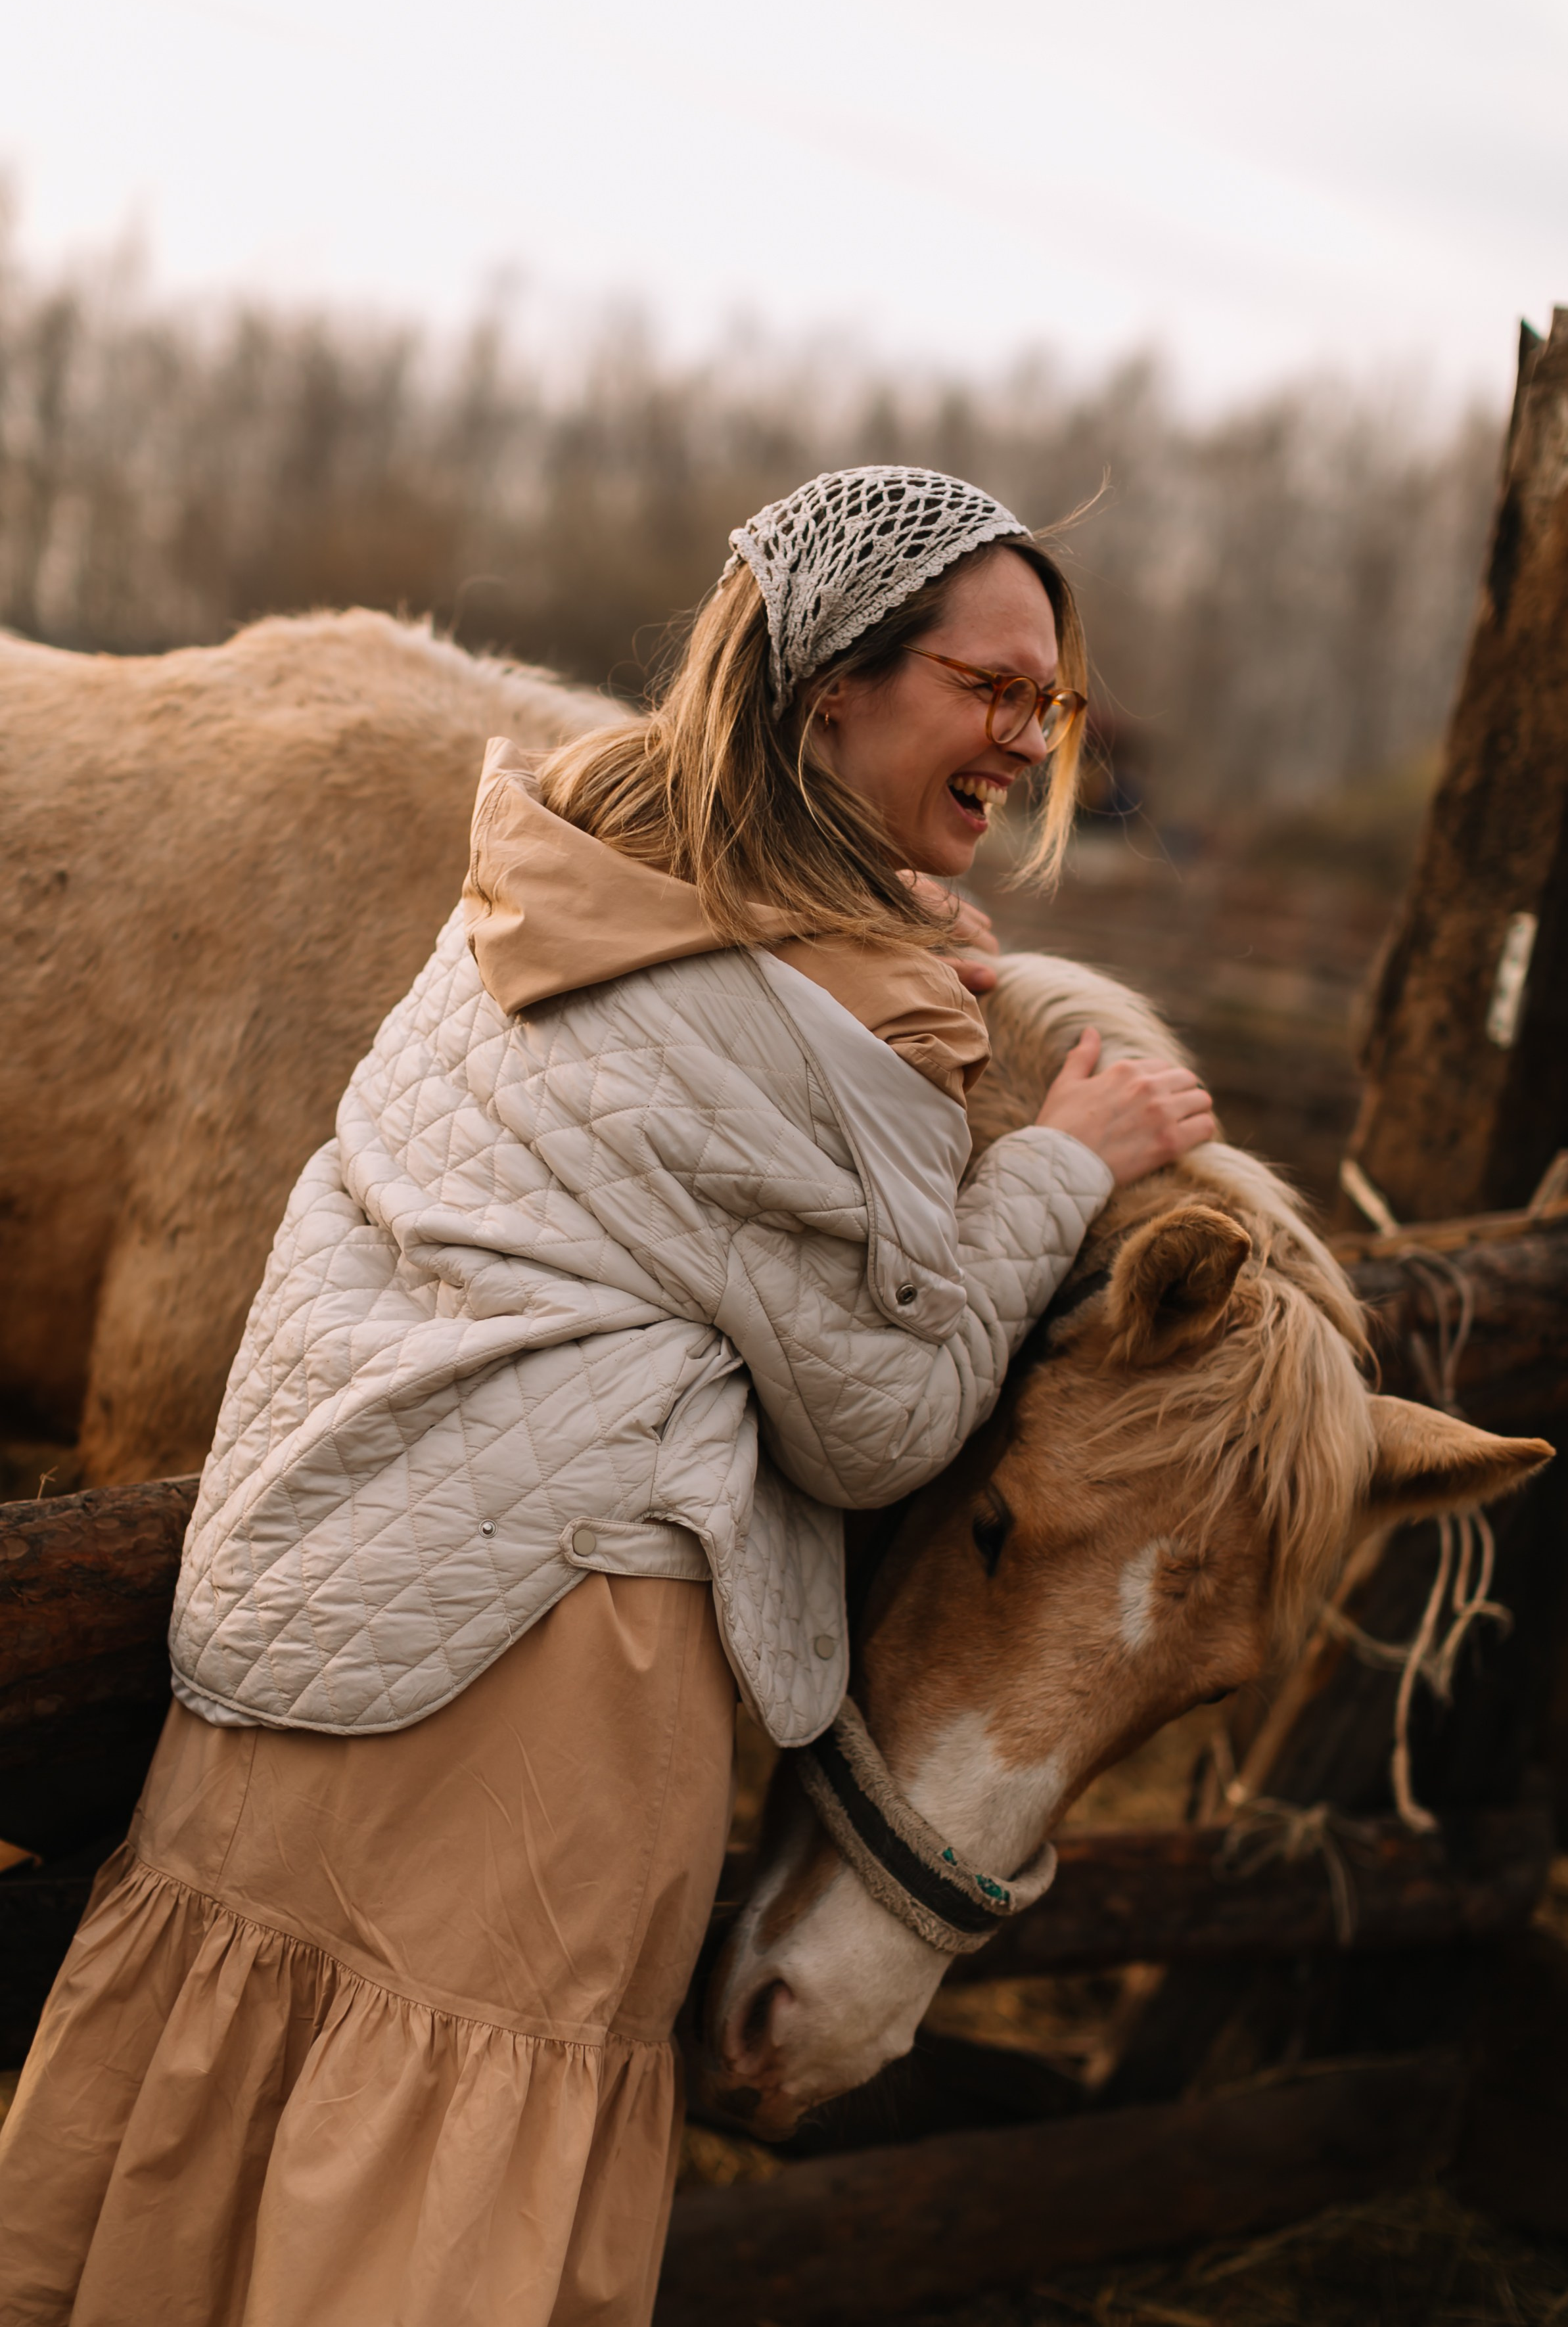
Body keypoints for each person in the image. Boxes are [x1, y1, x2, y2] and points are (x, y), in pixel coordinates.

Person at [0, 467, 1214, 2327]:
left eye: (1045, 699)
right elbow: (882, 1422)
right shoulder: (853, 1016)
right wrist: (1061, 1159)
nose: (1031, 739)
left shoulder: (545, 879)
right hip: (542, 1685)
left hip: (300, 1627)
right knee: (430, 2221)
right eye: (989, 687)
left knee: (210, 2154)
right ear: (833, 683)